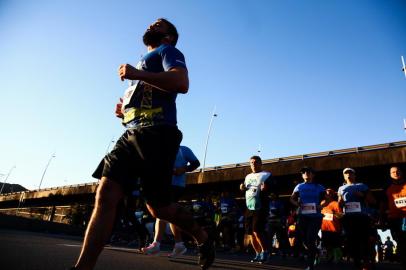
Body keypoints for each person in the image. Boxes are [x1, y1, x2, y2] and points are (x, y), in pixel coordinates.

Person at [71, 18, 214, 270]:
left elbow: (181, 83)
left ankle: (201, 236)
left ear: (169, 37)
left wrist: (137, 74)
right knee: (105, 195)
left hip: (158, 135)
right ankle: (82, 267)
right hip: (131, 135)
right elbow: (149, 97)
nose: (152, 25)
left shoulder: (168, 51)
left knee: (159, 209)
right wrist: (126, 112)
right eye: (152, 23)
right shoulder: (145, 63)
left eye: (159, 24)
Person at [141, 145, 200, 257]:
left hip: (176, 185)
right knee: (169, 215)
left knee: (162, 211)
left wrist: (183, 169)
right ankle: (179, 244)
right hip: (162, 185)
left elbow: (196, 163)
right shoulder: (160, 149)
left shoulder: (183, 150)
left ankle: (157, 244)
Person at [338, 167, 375, 270]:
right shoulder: (341, 188)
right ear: (344, 176)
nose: (348, 175)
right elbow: (339, 203)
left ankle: (367, 262)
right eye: (346, 173)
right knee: (352, 242)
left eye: (350, 173)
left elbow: (372, 201)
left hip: (362, 217)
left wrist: (362, 196)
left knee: (364, 240)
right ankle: (357, 263)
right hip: (348, 218)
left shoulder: (362, 186)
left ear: (355, 175)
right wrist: (340, 203)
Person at [290, 166, 326, 270]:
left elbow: (325, 200)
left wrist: (321, 205)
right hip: (302, 216)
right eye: (304, 172)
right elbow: (291, 199)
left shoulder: (319, 186)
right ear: (302, 175)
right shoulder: (299, 187)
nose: (306, 173)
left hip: (315, 217)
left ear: (313, 175)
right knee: (303, 240)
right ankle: (316, 251)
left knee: (310, 238)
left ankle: (310, 265)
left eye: (309, 172)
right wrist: (297, 203)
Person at [240, 155, 272, 264]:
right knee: (250, 234)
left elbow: (274, 188)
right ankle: (258, 253)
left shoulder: (267, 175)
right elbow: (244, 187)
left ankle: (265, 252)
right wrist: (242, 187)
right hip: (249, 207)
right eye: (251, 162)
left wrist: (266, 189)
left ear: (260, 163)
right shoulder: (248, 176)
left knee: (257, 231)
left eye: (255, 162)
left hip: (260, 207)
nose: (253, 164)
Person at [384, 165, 406, 268]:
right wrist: (382, 215)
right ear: (390, 175)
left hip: (405, 217)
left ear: (401, 172)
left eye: (397, 171)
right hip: (393, 218)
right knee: (399, 239)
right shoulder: (387, 188)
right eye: (393, 172)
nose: (396, 173)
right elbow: (383, 203)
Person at [320, 188, 343, 264]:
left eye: (330, 193)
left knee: (335, 244)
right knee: (326, 244)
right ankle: (330, 256)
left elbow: (341, 215)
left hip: (334, 228)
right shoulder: (322, 203)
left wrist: (333, 213)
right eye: (326, 193)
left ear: (332, 195)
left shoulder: (336, 203)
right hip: (324, 228)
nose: (328, 194)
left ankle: (338, 257)